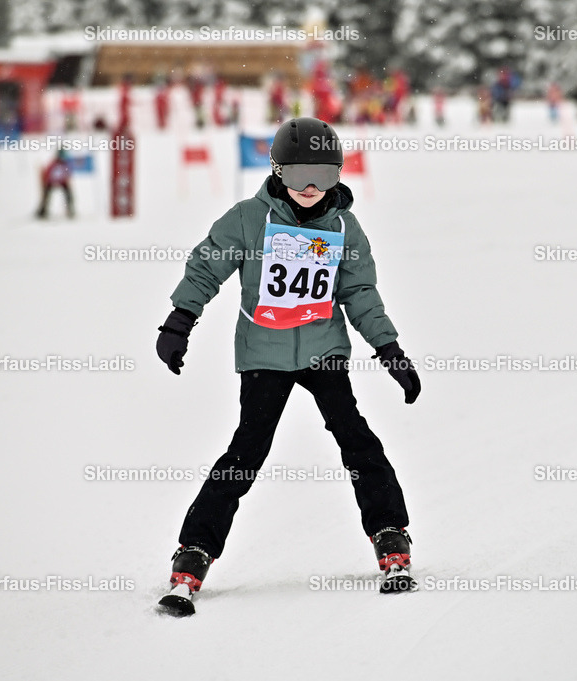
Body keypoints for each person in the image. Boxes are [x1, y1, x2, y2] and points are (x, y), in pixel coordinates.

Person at [155, 117, 421, 616]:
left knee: (357, 440)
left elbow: (359, 291)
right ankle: (194, 551)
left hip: (324, 353)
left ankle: (390, 534)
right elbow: (207, 265)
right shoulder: (249, 219)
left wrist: (389, 349)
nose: (312, 187)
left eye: (324, 174)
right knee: (246, 451)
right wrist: (179, 320)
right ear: (277, 171)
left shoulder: (343, 227)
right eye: (299, 175)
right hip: (264, 356)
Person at [35, 148, 74, 219]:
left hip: (62, 182)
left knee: (68, 195)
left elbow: (67, 173)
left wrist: (66, 180)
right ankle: (42, 211)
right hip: (50, 182)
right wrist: (46, 183)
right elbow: (47, 173)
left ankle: (70, 210)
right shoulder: (53, 163)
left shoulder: (65, 164)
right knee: (46, 196)